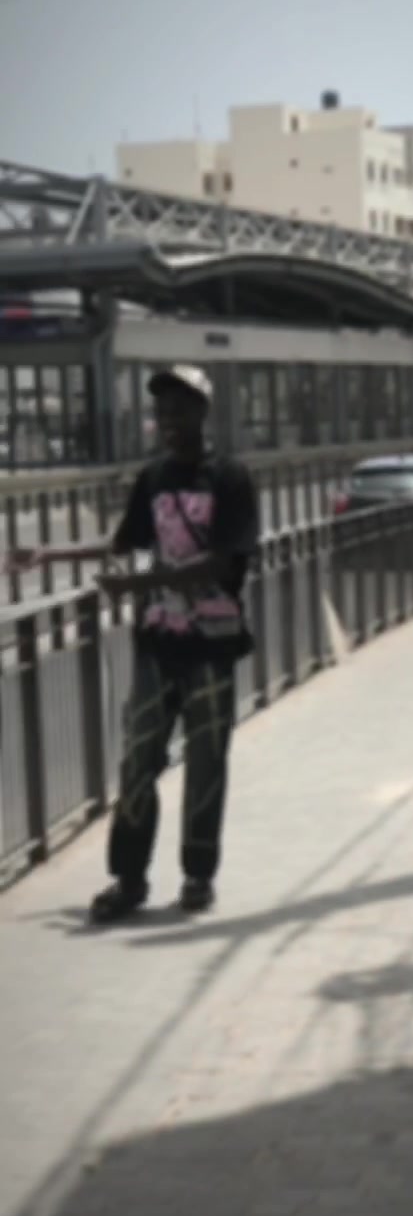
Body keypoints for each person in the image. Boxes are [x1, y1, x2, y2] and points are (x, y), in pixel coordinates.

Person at [5, 365, 258, 923]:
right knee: (138, 760)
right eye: (161, 411)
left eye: (178, 409)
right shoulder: (154, 478)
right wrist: (50, 555)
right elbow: (124, 543)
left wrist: (140, 584)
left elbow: (221, 563)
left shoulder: (231, 478)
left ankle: (197, 875)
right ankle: (129, 877)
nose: (167, 420)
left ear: (202, 412)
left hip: (211, 645)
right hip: (158, 642)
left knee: (206, 762)